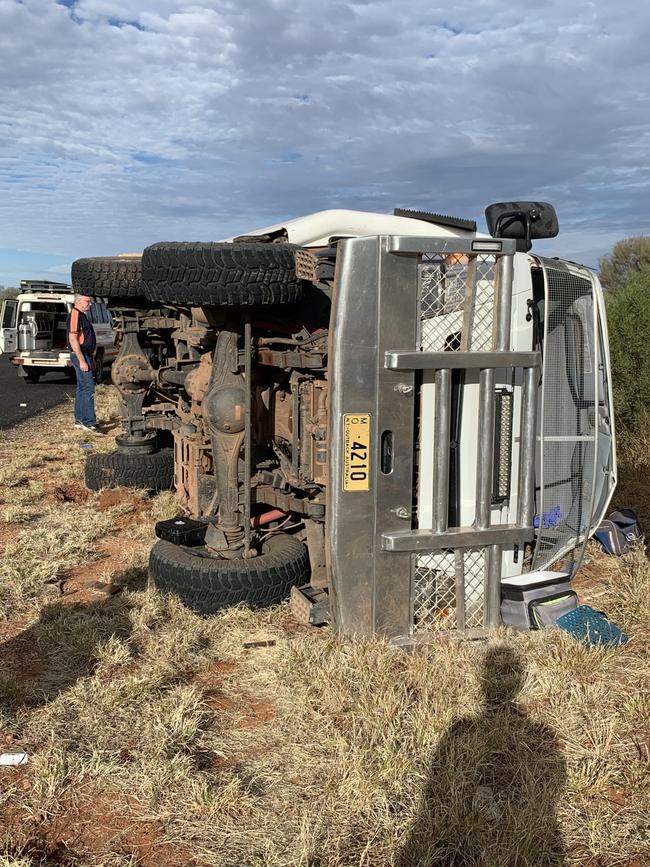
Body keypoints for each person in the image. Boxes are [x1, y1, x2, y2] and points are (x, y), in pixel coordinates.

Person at [67, 294, 101, 433]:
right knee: (88, 388)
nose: (90, 304)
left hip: (86, 355)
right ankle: (89, 422)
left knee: (82, 388)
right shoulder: (75, 315)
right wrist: (82, 360)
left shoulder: (82, 315)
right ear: (79, 302)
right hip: (80, 355)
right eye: (87, 301)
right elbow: (73, 339)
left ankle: (80, 420)